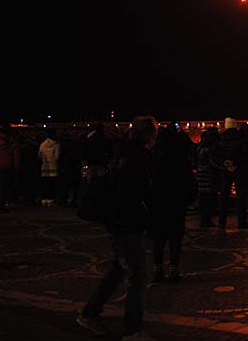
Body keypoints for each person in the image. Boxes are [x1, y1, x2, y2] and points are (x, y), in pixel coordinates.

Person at [77, 115, 158, 340]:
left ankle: (89, 313)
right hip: (126, 225)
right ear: (149, 137)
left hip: (120, 223)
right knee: (139, 275)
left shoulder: (122, 152)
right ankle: (132, 329)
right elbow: (132, 195)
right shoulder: (135, 159)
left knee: (119, 269)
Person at [148, 123, 192, 284]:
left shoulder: (153, 159)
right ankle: (174, 269)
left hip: (157, 203)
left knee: (158, 239)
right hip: (176, 203)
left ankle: (158, 269)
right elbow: (190, 184)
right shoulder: (180, 162)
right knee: (175, 239)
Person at [212, 117, 248, 229]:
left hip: (225, 171)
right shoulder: (242, 137)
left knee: (224, 197)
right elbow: (247, 155)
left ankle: (222, 222)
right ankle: (242, 222)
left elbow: (214, 155)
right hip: (239, 170)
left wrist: (225, 163)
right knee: (241, 198)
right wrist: (235, 163)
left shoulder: (220, 138)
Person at [196, 127, 220, 227]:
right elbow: (213, 162)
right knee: (208, 199)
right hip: (208, 176)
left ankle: (203, 220)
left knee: (203, 199)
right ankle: (206, 220)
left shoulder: (199, 147)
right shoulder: (209, 149)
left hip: (201, 175)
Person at [37, 129, 60, 207]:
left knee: (45, 184)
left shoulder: (42, 144)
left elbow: (39, 156)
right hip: (53, 166)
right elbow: (57, 157)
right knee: (52, 184)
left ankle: (44, 200)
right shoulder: (56, 145)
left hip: (44, 166)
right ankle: (51, 200)